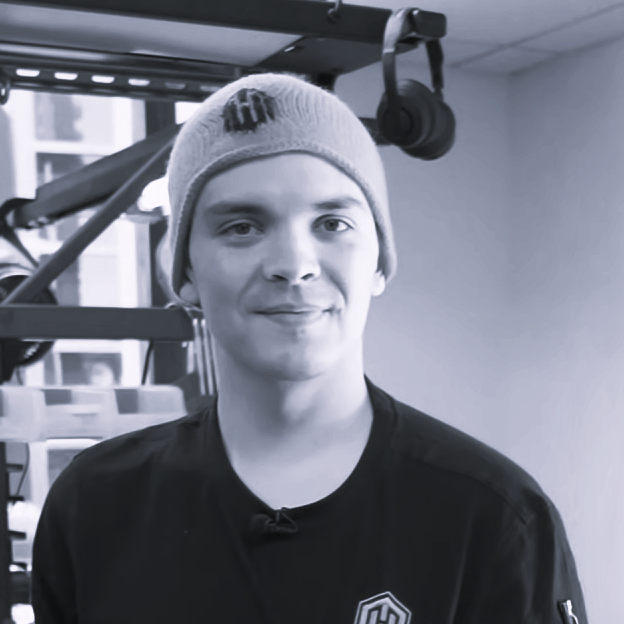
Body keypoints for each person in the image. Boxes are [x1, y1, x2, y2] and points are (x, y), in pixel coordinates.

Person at [30, 73, 588, 624]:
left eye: (332, 223)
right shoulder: (94, 505)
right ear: (186, 272)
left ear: (379, 261)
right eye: (242, 227)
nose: (293, 265)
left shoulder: (492, 517)